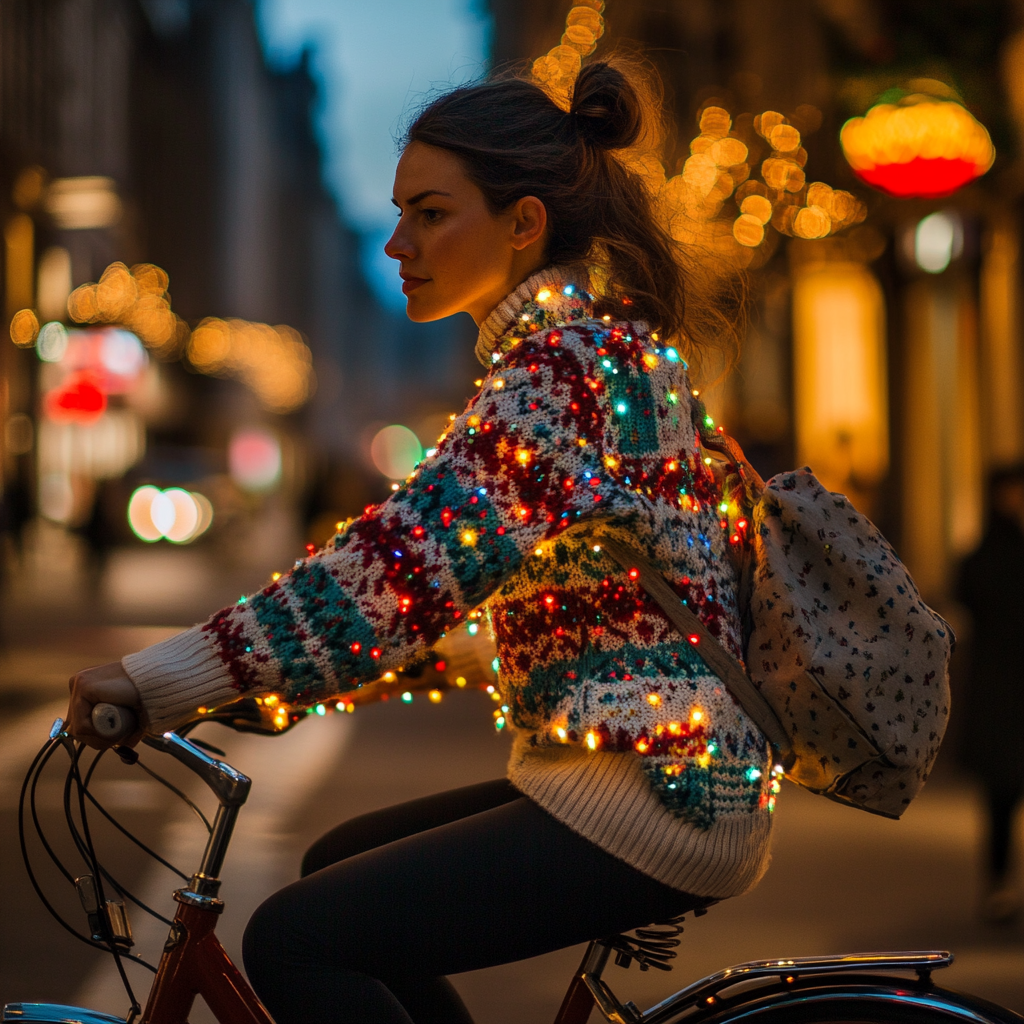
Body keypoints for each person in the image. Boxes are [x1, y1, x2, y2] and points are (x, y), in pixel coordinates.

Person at [66, 61, 774, 1024]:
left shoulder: (561, 371)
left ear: (524, 222)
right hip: (660, 772)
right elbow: (487, 588)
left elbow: (395, 573)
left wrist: (159, 680)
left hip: (654, 795)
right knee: (333, 868)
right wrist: (278, 687)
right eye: (399, 213)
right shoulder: (602, 349)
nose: (399, 242)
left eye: (431, 213)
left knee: (296, 938)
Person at [956, 463, 1024, 925]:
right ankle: (999, 883)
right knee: (1001, 793)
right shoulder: (984, 557)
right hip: (1001, 690)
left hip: (1005, 686)